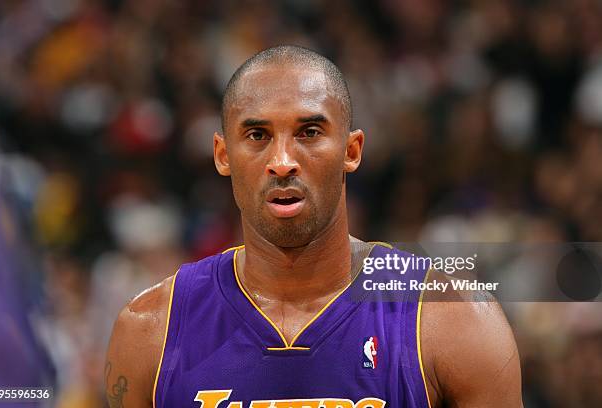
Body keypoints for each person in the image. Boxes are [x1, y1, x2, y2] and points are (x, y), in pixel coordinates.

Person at [105, 45, 522, 407]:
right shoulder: (149, 331)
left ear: (352, 150)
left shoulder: (453, 320)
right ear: (222, 154)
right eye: (256, 135)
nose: (283, 160)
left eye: (309, 131)